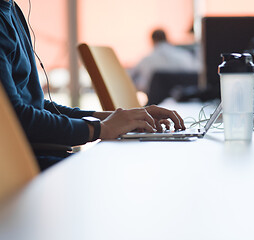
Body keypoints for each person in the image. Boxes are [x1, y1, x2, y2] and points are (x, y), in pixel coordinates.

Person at [0, 0, 185, 170]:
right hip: (22, 169)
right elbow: (16, 119)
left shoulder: (13, 10)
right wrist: (100, 129)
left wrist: (117, 118)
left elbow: (37, 106)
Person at [130, 28, 201, 94]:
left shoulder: (146, 60)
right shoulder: (184, 56)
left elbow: (133, 80)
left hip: (155, 103)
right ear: (167, 38)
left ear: (152, 41)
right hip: (181, 101)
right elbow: (197, 75)